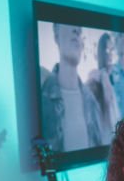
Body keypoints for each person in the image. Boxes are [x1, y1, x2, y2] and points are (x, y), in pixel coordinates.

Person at [40, 23, 102, 152]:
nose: (77, 31)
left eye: (80, 29)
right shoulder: (41, 99)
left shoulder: (92, 103)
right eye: (70, 24)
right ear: (56, 35)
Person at [87, 32, 122, 144]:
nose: (111, 54)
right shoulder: (95, 79)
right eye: (107, 49)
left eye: (112, 49)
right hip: (103, 144)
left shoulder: (113, 79)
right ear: (101, 52)